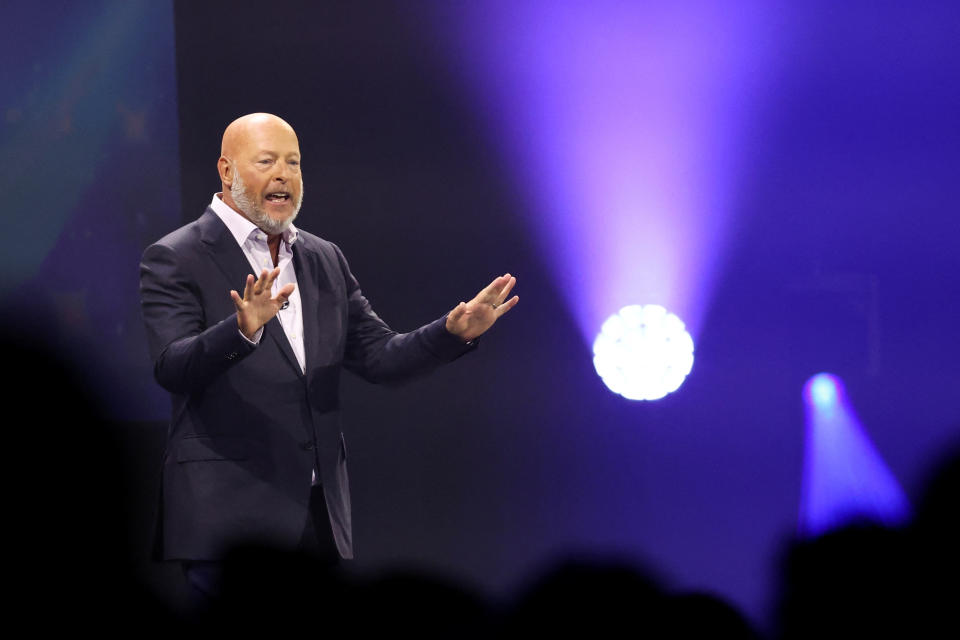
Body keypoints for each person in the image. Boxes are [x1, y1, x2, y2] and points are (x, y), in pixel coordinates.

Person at [140, 113, 518, 594]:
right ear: (227, 170)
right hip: (228, 521)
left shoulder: (323, 258)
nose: (284, 174)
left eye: (293, 163)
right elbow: (172, 367)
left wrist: (450, 333)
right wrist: (240, 331)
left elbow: (379, 357)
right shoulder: (176, 256)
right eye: (267, 161)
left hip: (317, 519)